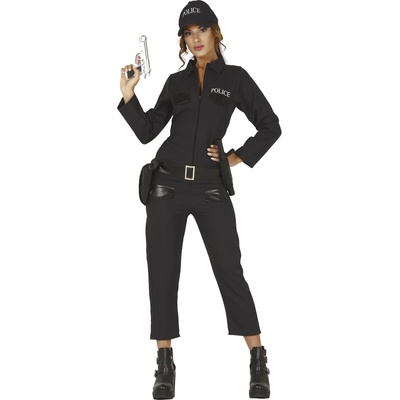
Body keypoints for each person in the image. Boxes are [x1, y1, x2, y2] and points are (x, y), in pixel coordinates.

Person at [118, 1, 281, 398]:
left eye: (201, 31)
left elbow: (270, 126)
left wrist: (233, 157)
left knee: (229, 271)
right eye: (188, 34)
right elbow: (148, 131)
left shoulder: (235, 78)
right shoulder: (176, 82)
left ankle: (258, 359)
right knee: (162, 273)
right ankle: (164, 363)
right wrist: (128, 95)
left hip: (210, 189)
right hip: (165, 187)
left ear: (214, 32)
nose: (195, 39)